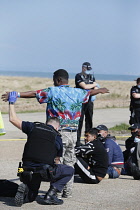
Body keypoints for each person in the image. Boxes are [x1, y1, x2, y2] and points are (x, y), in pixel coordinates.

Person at [2, 69, 109, 197]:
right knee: (70, 162)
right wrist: (100, 90)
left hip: (59, 134)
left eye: (54, 79)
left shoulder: (52, 91)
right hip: (73, 134)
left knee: (57, 162)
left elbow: (34, 93)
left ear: (58, 80)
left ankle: (54, 192)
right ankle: (67, 192)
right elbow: (90, 92)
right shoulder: (77, 92)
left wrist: (17, 94)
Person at [8, 91, 74, 206]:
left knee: (32, 196)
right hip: (44, 171)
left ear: (46, 123)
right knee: (69, 170)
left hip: (24, 170)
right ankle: (51, 195)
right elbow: (57, 160)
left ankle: (25, 192)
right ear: (57, 127)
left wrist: (11, 102)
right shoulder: (57, 137)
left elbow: (13, 119)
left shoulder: (33, 127)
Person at [75, 62, 99, 146]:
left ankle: (89, 139)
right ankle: (77, 140)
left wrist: (94, 86)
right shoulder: (78, 76)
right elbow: (84, 86)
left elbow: (95, 89)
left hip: (89, 101)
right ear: (83, 68)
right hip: (80, 101)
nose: (88, 71)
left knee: (89, 120)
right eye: (87, 69)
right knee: (80, 120)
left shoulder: (91, 77)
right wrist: (93, 85)